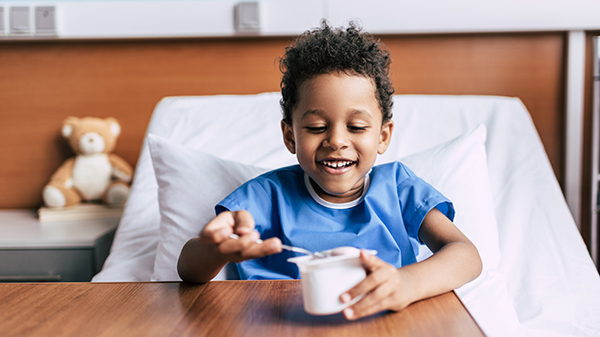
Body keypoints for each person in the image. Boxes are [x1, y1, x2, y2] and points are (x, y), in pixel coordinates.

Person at [177, 21, 482, 321]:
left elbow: (466, 255)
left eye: (357, 127)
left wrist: (407, 283)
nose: (336, 140)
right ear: (290, 136)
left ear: (383, 136)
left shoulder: (400, 190)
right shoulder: (266, 196)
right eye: (317, 127)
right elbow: (188, 269)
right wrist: (213, 250)